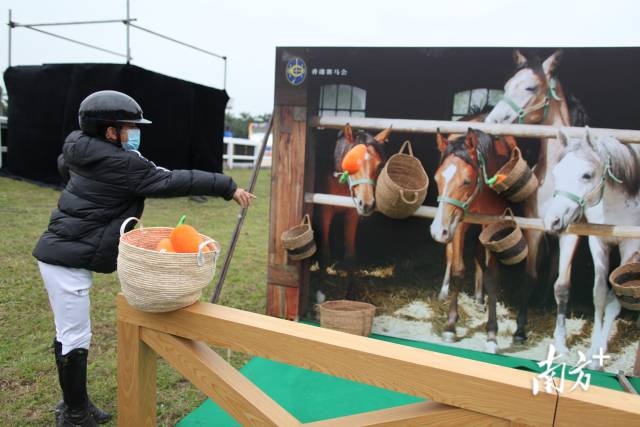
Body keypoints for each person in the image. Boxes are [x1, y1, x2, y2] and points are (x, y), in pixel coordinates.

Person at [33, 90, 254, 426]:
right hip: (65, 260)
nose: (134, 132)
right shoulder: (122, 163)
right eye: (128, 126)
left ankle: (75, 404)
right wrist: (225, 186)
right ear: (109, 131)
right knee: (75, 335)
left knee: (70, 332)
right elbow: (171, 180)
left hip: (62, 253)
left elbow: (67, 168)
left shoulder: (80, 147)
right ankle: (75, 414)